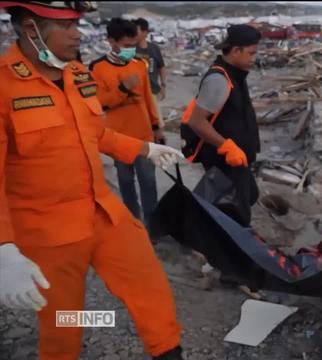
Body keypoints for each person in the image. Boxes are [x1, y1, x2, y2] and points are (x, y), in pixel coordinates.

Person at [0, 2, 185, 360]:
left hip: (104, 212)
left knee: (151, 288)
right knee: (64, 323)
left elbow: (95, 133)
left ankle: (168, 352)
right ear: (30, 28)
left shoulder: (77, 74)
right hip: (48, 231)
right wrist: (4, 249)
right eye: (66, 26)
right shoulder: (3, 86)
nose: (77, 34)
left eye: (77, 24)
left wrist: (143, 149)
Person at [90, 18, 164, 227]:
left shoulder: (139, 65)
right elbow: (99, 103)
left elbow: (149, 99)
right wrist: (122, 89)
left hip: (144, 134)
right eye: (127, 46)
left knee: (148, 181)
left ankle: (153, 223)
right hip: (118, 137)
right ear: (112, 41)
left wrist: (157, 127)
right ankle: (134, 222)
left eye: (133, 45)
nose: (131, 50)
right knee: (125, 181)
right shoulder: (97, 68)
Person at [185, 24, 261, 228]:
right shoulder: (219, 80)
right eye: (251, 53)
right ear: (235, 50)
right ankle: (230, 249)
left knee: (246, 196)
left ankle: (199, 226)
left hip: (237, 157)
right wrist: (226, 146)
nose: (254, 58)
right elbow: (196, 121)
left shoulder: (236, 73)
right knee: (236, 211)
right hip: (225, 157)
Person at [134, 17, 167, 128]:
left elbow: (161, 67)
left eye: (136, 31)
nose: (134, 34)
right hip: (136, 92)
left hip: (152, 90)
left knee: (157, 123)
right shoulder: (131, 49)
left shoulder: (154, 48)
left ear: (144, 32)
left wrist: (163, 85)